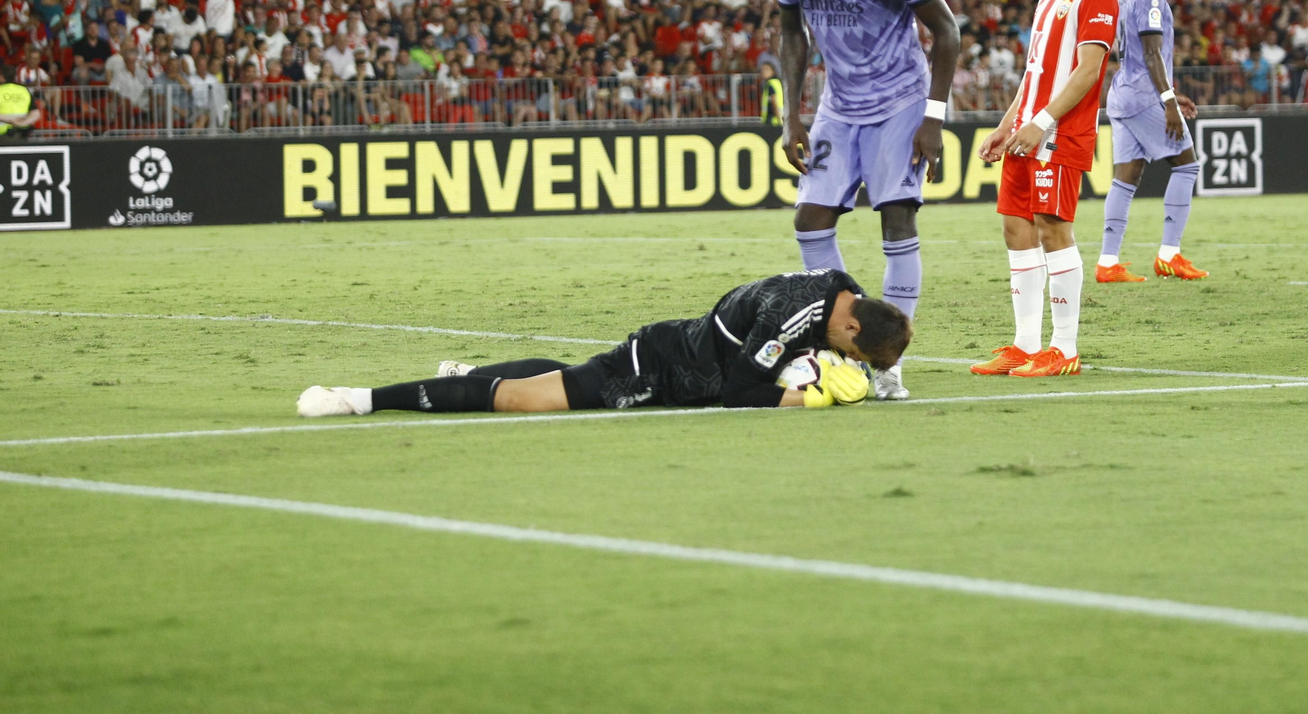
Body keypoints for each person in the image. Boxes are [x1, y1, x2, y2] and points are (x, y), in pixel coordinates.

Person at [770, 0, 961, 401]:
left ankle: (888, 361)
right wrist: (793, 115)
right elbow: (792, 32)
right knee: (810, 218)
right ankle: (842, 339)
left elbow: (946, 31)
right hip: (839, 103)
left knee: (896, 214)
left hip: (901, 100)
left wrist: (933, 118)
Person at [297, 271, 911, 417]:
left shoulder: (842, 290)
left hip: (678, 349)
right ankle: (357, 399)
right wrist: (815, 397)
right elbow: (738, 392)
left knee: (563, 376)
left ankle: (469, 368)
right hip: (658, 372)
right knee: (523, 401)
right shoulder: (787, 318)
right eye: (851, 354)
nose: (844, 359)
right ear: (851, 327)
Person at [970, 0, 1118, 379]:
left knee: (1053, 230)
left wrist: (1042, 124)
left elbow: (1089, 70)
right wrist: (1008, 123)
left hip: (1059, 135)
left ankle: (1064, 348)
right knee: (1016, 228)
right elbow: (1034, 72)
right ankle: (1025, 344)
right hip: (1028, 132)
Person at [1097, 0, 1208, 283]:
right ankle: (1169, 255)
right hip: (1144, 96)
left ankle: (1107, 262)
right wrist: (1168, 101)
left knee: (1126, 179)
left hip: (1124, 94)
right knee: (1187, 166)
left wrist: (1171, 91)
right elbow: (1151, 53)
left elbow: (1131, 53)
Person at [758, 61, 784, 125]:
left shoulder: (770, 84)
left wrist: (779, 120)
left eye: (766, 69)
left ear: (773, 71)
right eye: (762, 69)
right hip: (777, 120)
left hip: (772, 121)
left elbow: (774, 101)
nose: (763, 72)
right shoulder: (777, 82)